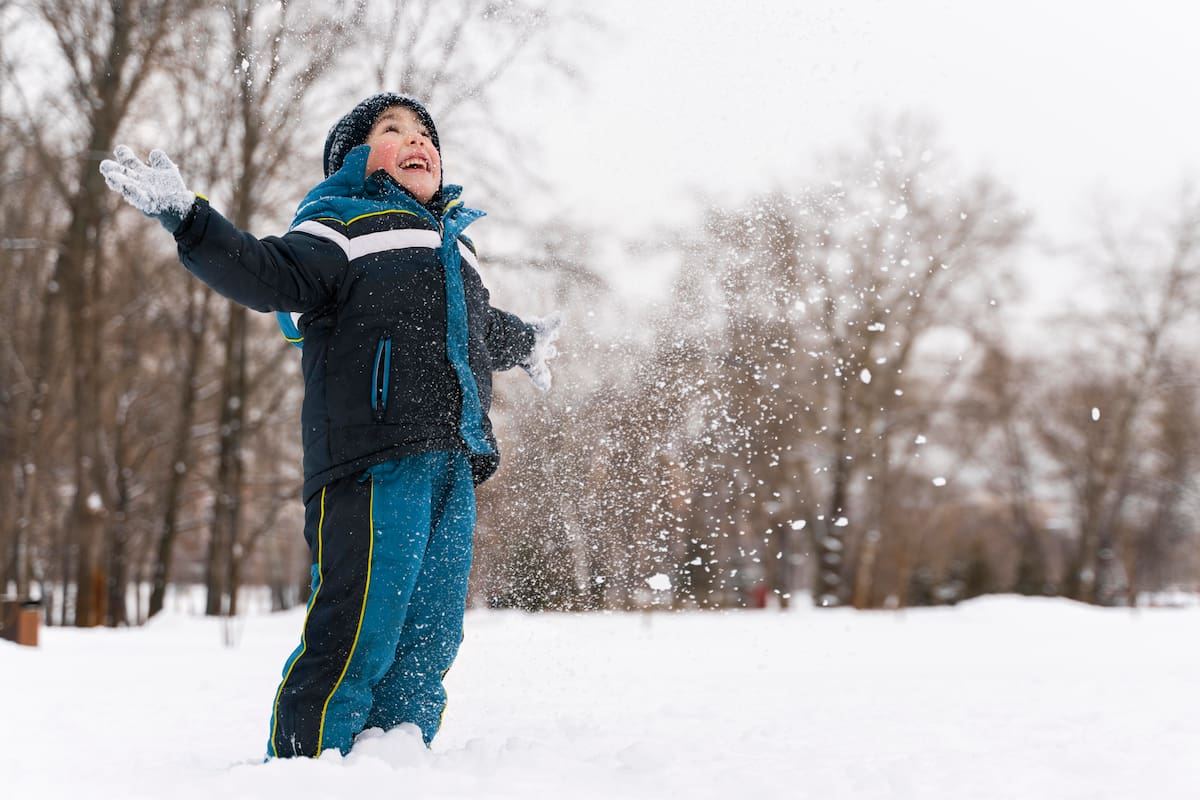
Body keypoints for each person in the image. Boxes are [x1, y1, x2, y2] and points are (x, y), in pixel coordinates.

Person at [100, 93, 560, 758]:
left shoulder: (458, 247)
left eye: (425, 132)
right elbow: (268, 274)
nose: (416, 139)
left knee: (429, 640)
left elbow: (479, 328)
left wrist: (527, 343)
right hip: (372, 463)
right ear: (353, 157)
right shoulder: (343, 221)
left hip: (453, 464)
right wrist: (191, 220)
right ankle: (307, 767)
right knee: (358, 632)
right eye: (392, 130)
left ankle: (397, 758)